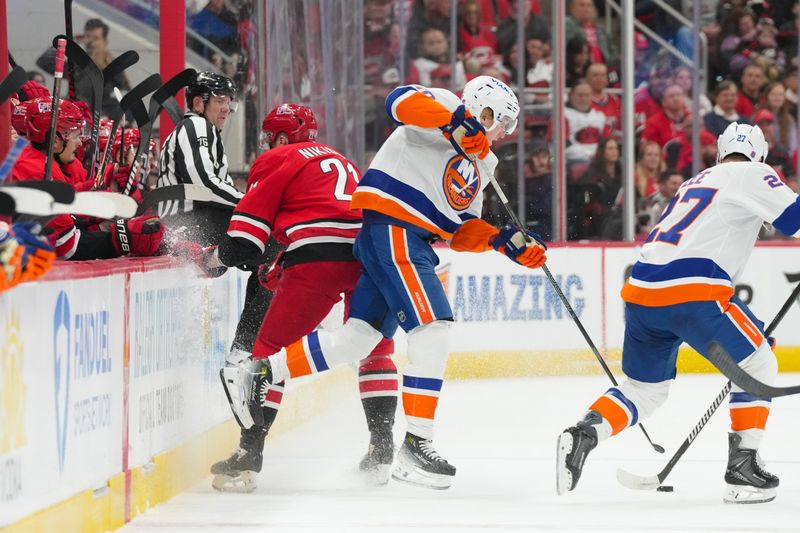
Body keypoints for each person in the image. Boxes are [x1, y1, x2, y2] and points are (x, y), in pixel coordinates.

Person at [216, 76, 546, 490]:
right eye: (503, 123)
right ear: (484, 111)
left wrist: (500, 241)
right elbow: (399, 101)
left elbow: (461, 229)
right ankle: (416, 443)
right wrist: (456, 121)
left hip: (411, 242)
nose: (504, 134)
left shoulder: (482, 164)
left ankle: (264, 370)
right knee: (434, 326)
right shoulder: (443, 104)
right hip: (392, 230)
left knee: (360, 339)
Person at [557, 122, 796, 504]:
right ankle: (742, 471)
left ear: (719, 153)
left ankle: (586, 431)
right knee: (759, 364)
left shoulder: (696, 181)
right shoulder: (753, 172)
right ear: (761, 156)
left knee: (644, 391)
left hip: (643, 293)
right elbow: (794, 219)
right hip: (695, 293)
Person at [181, 104, 399, 491]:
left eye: (270, 137)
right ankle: (381, 451)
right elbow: (329, 213)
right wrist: (284, 258)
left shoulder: (278, 157)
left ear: (281, 137)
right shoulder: (339, 159)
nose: (268, 144)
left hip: (320, 259)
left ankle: (249, 455)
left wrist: (212, 259)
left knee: (266, 355)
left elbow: (246, 242)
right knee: (376, 351)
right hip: (371, 255)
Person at [157, 71, 243, 247]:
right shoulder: (196, 125)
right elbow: (203, 185)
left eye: (228, 101)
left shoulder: (207, 132)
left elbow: (218, 187)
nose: (226, 108)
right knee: (262, 231)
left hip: (187, 223)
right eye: (219, 101)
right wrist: (249, 203)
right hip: (184, 224)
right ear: (198, 103)